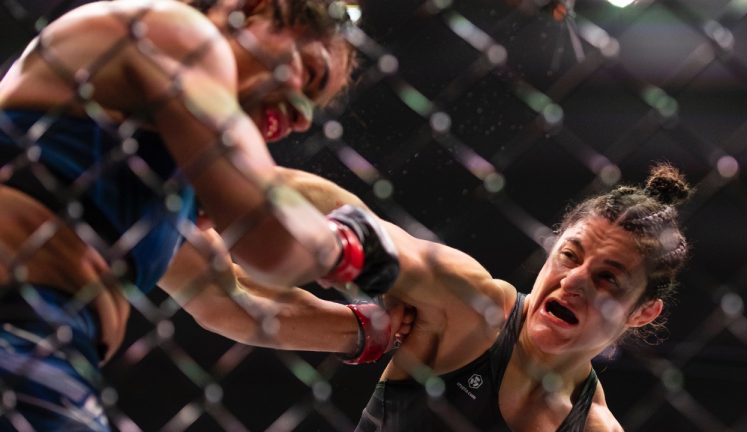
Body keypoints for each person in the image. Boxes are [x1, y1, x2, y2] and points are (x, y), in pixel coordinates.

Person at [0, 0, 400, 430]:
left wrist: (374, 329)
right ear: (250, 9)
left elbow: (229, 299)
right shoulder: (174, 30)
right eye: (311, 72)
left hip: (48, 350)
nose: (302, 119)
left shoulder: (161, 177)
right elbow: (270, 237)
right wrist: (353, 245)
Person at [253, 162, 691, 431]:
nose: (573, 281)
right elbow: (358, 222)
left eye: (607, 279)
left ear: (643, 312)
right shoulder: (470, 306)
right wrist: (223, 184)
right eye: (569, 256)